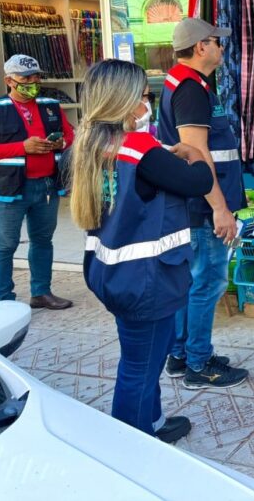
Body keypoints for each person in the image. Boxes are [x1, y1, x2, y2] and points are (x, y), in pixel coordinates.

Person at [70, 59, 213, 443]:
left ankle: (152, 423)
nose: (144, 103)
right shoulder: (139, 148)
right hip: (147, 280)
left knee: (144, 356)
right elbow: (196, 181)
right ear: (122, 102)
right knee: (140, 367)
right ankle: (132, 447)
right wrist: (195, 153)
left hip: (114, 275)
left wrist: (168, 153)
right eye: (141, 96)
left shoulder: (92, 144)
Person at [157, 18, 249, 389]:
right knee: (208, 281)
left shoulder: (184, 84)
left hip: (195, 203)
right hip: (202, 205)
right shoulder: (191, 89)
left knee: (193, 282)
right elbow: (196, 153)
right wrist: (220, 208)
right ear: (200, 48)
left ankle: (181, 355)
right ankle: (198, 363)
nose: (221, 48)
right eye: (217, 42)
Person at [0, 55, 74, 308]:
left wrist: (62, 143)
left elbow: (70, 136)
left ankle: (41, 293)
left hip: (47, 185)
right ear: (9, 81)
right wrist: (22, 147)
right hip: (10, 190)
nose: (33, 82)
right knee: (4, 245)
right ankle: (3, 300)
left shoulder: (51, 105)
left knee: (42, 241)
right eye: (26, 78)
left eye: (36, 76)